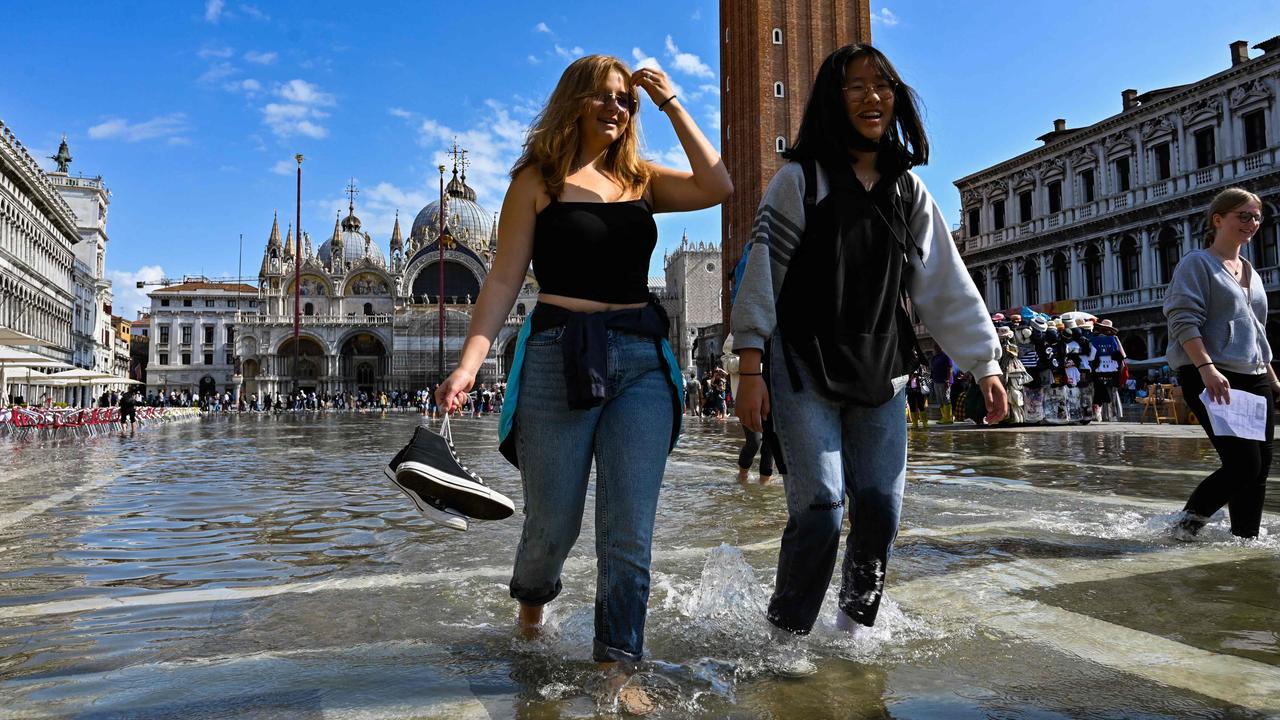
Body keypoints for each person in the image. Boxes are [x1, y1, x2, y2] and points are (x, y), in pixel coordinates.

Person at [426, 54, 729, 704]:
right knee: (552, 528)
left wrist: (672, 102)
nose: (617, 107)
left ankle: (616, 666)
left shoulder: (642, 179)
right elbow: (504, 278)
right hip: (557, 355)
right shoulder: (536, 180)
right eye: (604, 96)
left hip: (642, 363)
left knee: (628, 530)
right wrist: (468, 364)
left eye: (626, 100)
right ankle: (531, 609)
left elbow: (718, 184)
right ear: (575, 101)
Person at [731, 43, 1006, 674]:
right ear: (833, 98)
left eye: (882, 85)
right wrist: (750, 366)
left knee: (880, 508)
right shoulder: (799, 179)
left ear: (897, 98)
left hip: (883, 371)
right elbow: (762, 276)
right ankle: (787, 632)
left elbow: (943, 281)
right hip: (803, 369)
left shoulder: (907, 189)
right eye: (855, 86)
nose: (871, 97)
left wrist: (984, 364)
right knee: (823, 509)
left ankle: (856, 623)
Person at [1163, 187, 1274, 540]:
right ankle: (1185, 527)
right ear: (1218, 219)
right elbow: (1183, 320)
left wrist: (1271, 375)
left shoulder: (1250, 271)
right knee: (1243, 465)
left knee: (1259, 469)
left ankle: (1246, 538)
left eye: (1257, 216)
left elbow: (1257, 329)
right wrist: (1206, 368)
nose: (1252, 223)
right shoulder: (1197, 263)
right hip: (1212, 373)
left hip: (1254, 374)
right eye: (1243, 215)